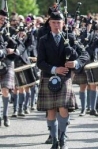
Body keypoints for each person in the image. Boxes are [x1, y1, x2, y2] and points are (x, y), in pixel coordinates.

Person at [37, 10, 89, 149]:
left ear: (63, 23)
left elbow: (85, 54)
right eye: (53, 22)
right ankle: (54, 140)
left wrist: (76, 63)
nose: (56, 25)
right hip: (49, 77)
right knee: (51, 110)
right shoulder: (43, 40)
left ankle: (62, 137)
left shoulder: (70, 38)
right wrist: (55, 69)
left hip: (65, 78)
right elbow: (40, 62)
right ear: (49, 23)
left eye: (58, 22)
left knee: (63, 108)